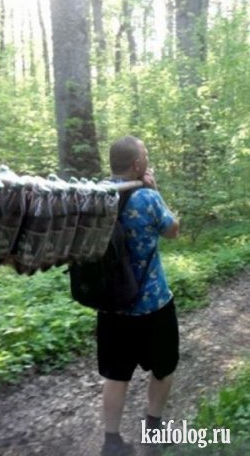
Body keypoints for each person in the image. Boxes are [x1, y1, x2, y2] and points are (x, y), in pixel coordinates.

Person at [98, 136, 180, 456]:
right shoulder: (147, 198)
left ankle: (112, 442)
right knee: (164, 368)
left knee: (116, 376)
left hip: (111, 306)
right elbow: (173, 230)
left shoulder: (96, 195)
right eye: (145, 154)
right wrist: (156, 190)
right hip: (153, 305)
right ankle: (153, 430)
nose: (147, 158)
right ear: (137, 164)